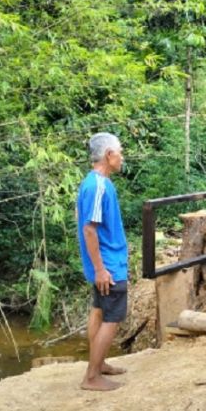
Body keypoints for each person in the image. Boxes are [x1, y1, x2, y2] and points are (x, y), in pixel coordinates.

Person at [76, 133, 129, 391]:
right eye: (120, 152)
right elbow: (89, 229)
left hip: (103, 264)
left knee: (99, 310)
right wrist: (100, 269)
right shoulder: (97, 186)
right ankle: (92, 377)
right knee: (113, 317)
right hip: (108, 266)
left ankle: (99, 364)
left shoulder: (94, 182)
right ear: (109, 154)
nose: (122, 157)